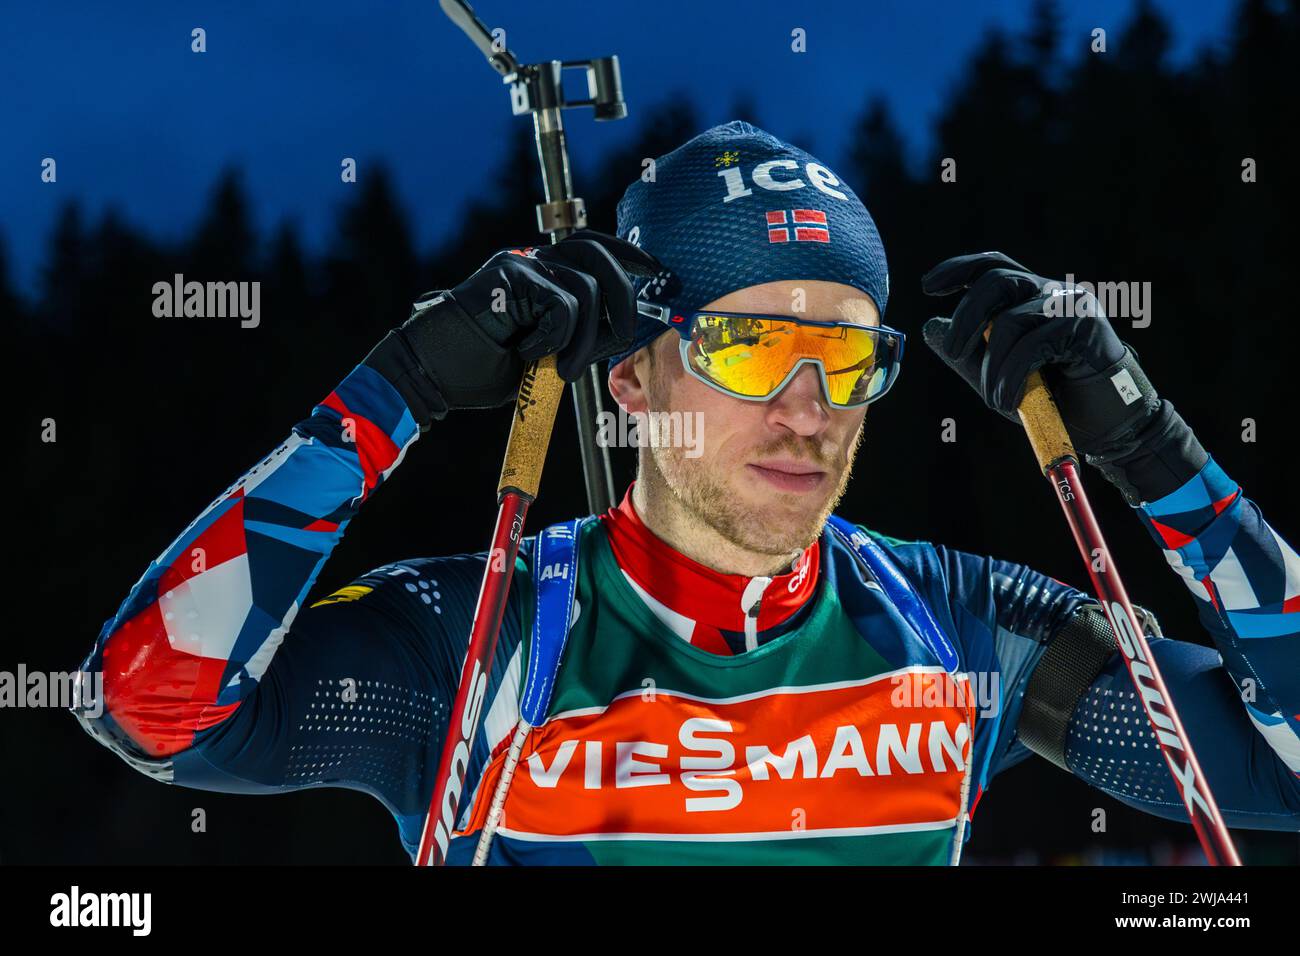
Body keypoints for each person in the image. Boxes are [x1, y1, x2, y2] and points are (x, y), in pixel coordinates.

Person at [75, 121, 1300, 865]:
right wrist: (392, 392)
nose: (810, 407)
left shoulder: (965, 630)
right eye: (755, 348)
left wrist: (1157, 453)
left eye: (848, 357)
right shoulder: (485, 636)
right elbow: (145, 704)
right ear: (629, 379)